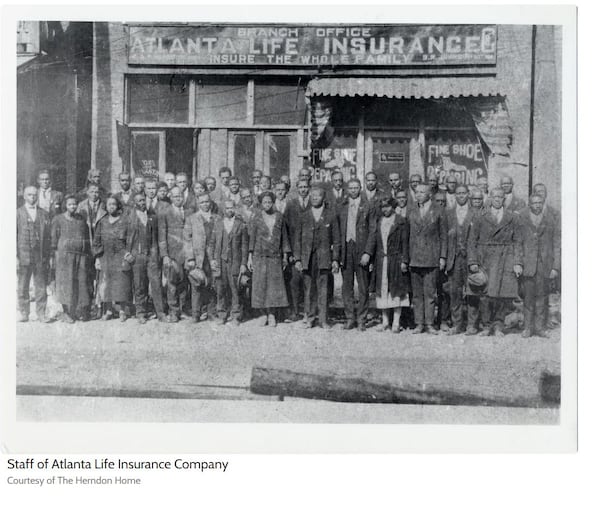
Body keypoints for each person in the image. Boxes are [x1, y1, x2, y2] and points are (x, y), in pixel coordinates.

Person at [467, 188, 524, 336]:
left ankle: (498, 325)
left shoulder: (513, 217)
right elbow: (472, 241)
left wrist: (518, 262)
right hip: (485, 257)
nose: (498, 199)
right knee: (485, 294)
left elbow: (518, 241)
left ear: (504, 199)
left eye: (501, 197)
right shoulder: (480, 216)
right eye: (495, 196)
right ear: (490, 198)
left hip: (506, 257)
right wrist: (472, 261)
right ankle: (486, 326)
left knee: (502, 294)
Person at [294, 186, 340, 329]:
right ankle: (310, 317)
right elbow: (297, 240)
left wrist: (335, 259)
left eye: (318, 195)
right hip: (308, 258)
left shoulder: (331, 215)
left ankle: (323, 319)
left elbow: (337, 240)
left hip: (324, 258)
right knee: (309, 289)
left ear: (323, 198)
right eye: (312, 195)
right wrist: (298, 259)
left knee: (323, 289)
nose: (315, 198)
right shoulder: (303, 216)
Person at [407, 183, 448, 334]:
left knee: (430, 293)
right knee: (417, 294)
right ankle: (419, 323)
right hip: (415, 258)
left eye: (421, 192)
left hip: (432, 258)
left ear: (429, 194)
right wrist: (406, 258)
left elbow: (444, 236)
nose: (418, 195)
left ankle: (430, 323)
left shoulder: (438, 211)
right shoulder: (411, 211)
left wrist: (442, 257)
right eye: (416, 192)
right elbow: (407, 236)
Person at [338, 178, 377, 331]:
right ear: (347, 189)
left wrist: (368, 252)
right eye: (351, 188)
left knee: (363, 287)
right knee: (346, 286)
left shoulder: (368, 206)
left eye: (356, 187)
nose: (353, 190)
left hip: (361, 250)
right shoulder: (342, 206)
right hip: (346, 249)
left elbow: (373, 231)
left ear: (360, 188)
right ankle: (349, 318)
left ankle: (361, 318)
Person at [519, 194, 560, 338]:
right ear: (529, 204)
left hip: (544, 265)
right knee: (528, 297)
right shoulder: (522, 219)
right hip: (528, 264)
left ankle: (540, 327)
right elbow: (518, 243)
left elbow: (556, 245)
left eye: (539, 203)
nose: (537, 205)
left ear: (543, 203)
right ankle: (527, 328)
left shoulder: (550, 220)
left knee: (542, 297)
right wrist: (518, 263)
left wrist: (555, 267)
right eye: (534, 203)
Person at [247, 191, 291, 327]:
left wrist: (285, 256)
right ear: (261, 203)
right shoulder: (256, 218)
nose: (267, 205)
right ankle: (263, 314)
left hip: (274, 256)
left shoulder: (279, 217)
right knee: (260, 286)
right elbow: (252, 238)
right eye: (264, 202)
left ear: (273, 202)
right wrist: (250, 257)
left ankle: (272, 314)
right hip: (259, 256)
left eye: (269, 202)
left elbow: (284, 238)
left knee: (273, 286)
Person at [93, 196, 135, 321]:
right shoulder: (102, 222)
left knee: (122, 283)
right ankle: (108, 310)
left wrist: (128, 253)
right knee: (106, 283)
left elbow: (130, 239)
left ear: (118, 206)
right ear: (105, 206)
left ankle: (122, 311)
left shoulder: (125, 221)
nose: (111, 206)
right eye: (109, 204)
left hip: (120, 255)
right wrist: (97, 258)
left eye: (114, 204)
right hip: (105, 256)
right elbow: (96, 241)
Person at [50, 195, 91, 323]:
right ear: (65, 206)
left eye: (74, 204)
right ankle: (66, 312)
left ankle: (78, 311)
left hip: (80, 256)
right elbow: (53, 239)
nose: (72, 206)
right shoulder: (58, 219)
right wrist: (54, 255)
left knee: (80, 283)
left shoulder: (81, 219)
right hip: (64, 257)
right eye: (70, 204)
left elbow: (86, 237)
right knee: (66, 283)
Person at [208, 199, 249, 325]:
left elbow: (244, 246)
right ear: (223, 210)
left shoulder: (241, 225)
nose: (229, 210)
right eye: (227, 208)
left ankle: (236, 315)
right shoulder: (218, 224)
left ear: (235, 209)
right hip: (220, 261)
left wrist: (243, 264)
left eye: (231, 208)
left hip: (235, 262)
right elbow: (212, 244)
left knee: (235, 289)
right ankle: (222, 314)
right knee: (220, 289)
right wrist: (212, 260)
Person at [445, 185, 478, 335]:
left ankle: (472, 324)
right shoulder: (448, 213)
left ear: (468, 195)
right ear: (455, 195)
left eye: (464, 193)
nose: (461, 196)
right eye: (458, 193)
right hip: (454, 258)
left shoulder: (476, 213)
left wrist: (474, 260)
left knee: (472, 291)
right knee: (455, 292)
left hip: (470, 259)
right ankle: (457, 323)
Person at [374, 197, 409, 333]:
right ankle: (385, 321)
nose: (385, 209)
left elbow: (405, 243)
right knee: (383, 290)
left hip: (396, 260)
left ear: (393, 207)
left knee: (396, 290)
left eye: (388, 206)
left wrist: (404, 260)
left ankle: (396, 322)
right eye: (383, 207)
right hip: (382, 260)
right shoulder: (380, 221)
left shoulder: (400, 221)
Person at [130, 193, 166, 323]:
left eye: (143, 200)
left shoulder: (153, 217)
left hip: (152, 255)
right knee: (139, 285)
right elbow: (127, 238)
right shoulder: (131, 218)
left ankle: (160, 312)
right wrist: (130, 253)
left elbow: (157, 237)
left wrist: (156, 253)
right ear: (135, 203)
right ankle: (141, 313)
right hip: (138, 256)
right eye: (139, 200)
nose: (142, 202)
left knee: (156, 284)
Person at [17, 186, 52, 322]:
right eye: (29, 195)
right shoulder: (18, 213)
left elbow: (48, 237)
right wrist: (15, 257)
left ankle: (41, 313)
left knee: (41, 285)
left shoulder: (43, 214)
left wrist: (48, 257)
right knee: (23, 285)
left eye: (34, 195)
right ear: (25, 196)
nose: (32, 197)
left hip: (40, 255)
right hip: (24, 255)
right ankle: (24, 313)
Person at [158, 186, 190, 322]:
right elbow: (162, 236)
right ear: (170, 197)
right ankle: (173, 311)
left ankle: (182, 309)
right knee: (172, 284)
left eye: (181, 196)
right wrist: (165, 255)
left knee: (184, 283)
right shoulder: (165, 212)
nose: (179, 199)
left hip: (186, 253)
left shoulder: (188, 212)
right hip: (172, 254)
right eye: (176, 196)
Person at [186, 192, 218, 321]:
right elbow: (187, 239)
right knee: (196, 285)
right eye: (202, 202)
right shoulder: (192, 218)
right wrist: (190, 258)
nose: (205, 204)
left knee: (212, 284)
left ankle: (211, 312)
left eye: (207, 202)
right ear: (198, 204)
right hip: (198, 257)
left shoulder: (217, 218)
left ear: (210, 203)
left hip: (212, 256)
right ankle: (196, 313)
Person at [76, 184, 107, 316]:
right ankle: (87, 307)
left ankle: (101, 307)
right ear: (87, 192)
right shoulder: (81, 206)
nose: (94, 194)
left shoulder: (104, 206)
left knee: (101, 277)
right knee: (86, 277)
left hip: (101, 245)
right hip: (87, 246)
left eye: (96, 191)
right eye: (92, 191)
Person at [285, 178, 311, 320]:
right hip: (295, 250)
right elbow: (286, 230)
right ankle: (294, 311)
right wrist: (289, 252)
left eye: (305, 187)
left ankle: (308, 312)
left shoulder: (314, 203)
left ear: (309, 188)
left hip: (309, 250)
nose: (303, 189)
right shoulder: (291, 205)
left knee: (308, 282)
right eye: (300, 187)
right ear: (296, 188)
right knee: (294, 282)